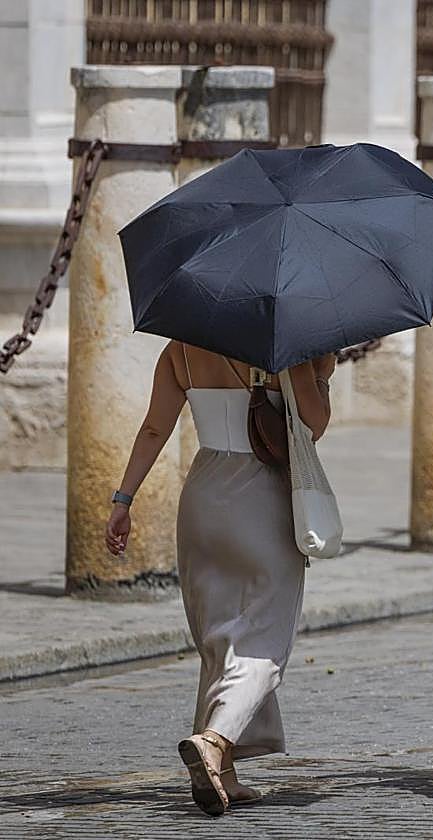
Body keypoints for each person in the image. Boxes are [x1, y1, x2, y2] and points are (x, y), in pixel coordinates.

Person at [105, 343, 334, 816]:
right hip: (262, 498)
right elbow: (314, 426)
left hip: (202, 495)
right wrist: (321, 373)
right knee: (265, 641)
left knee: (217, 638)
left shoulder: (179, 351)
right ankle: (213, 741)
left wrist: (123, 500)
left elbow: (154, 427)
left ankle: (223, 771)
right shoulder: (286, 351)